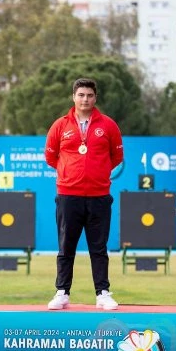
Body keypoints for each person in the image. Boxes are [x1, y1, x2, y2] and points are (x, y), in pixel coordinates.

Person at [44, 78, 124, 310]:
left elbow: (116, 157)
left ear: (95, 98)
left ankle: (103, 293)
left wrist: (96, 174)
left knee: (98, 248)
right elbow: (51, 157)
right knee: (66, 246)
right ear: (74, 97)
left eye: (89, 95)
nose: (85, 99)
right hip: (68, 195)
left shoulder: (108, 125)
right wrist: (70, 173)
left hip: (99, 195)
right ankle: (61, 292)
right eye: (81, 95)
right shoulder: (60, 125)